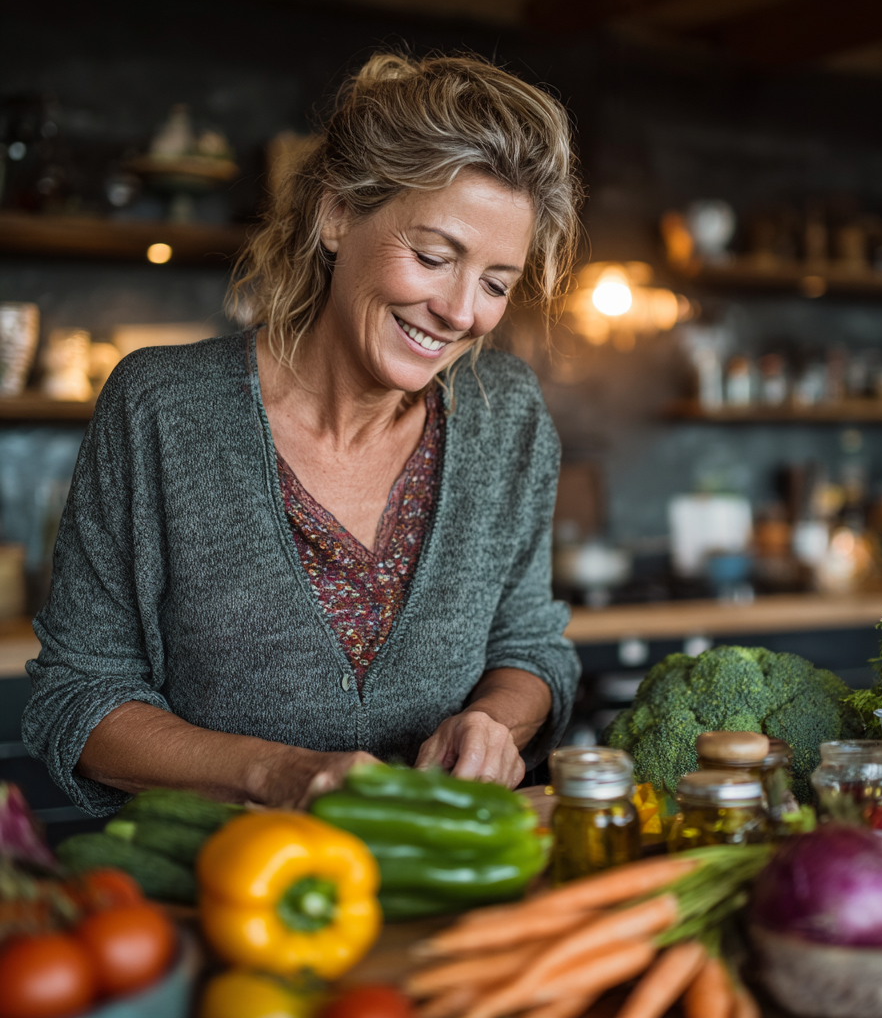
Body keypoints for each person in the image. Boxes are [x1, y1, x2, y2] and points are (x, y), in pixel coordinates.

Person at [22, 52, 583, 816]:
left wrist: (495, 721)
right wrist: (275, 775)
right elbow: (78, 697)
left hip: (445, 881)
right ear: (336, 215)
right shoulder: (162, 406)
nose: (460, 311)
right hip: (229, 893)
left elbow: (530, 647)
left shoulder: (506, 412)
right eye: (432, 256)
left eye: (494, 283)